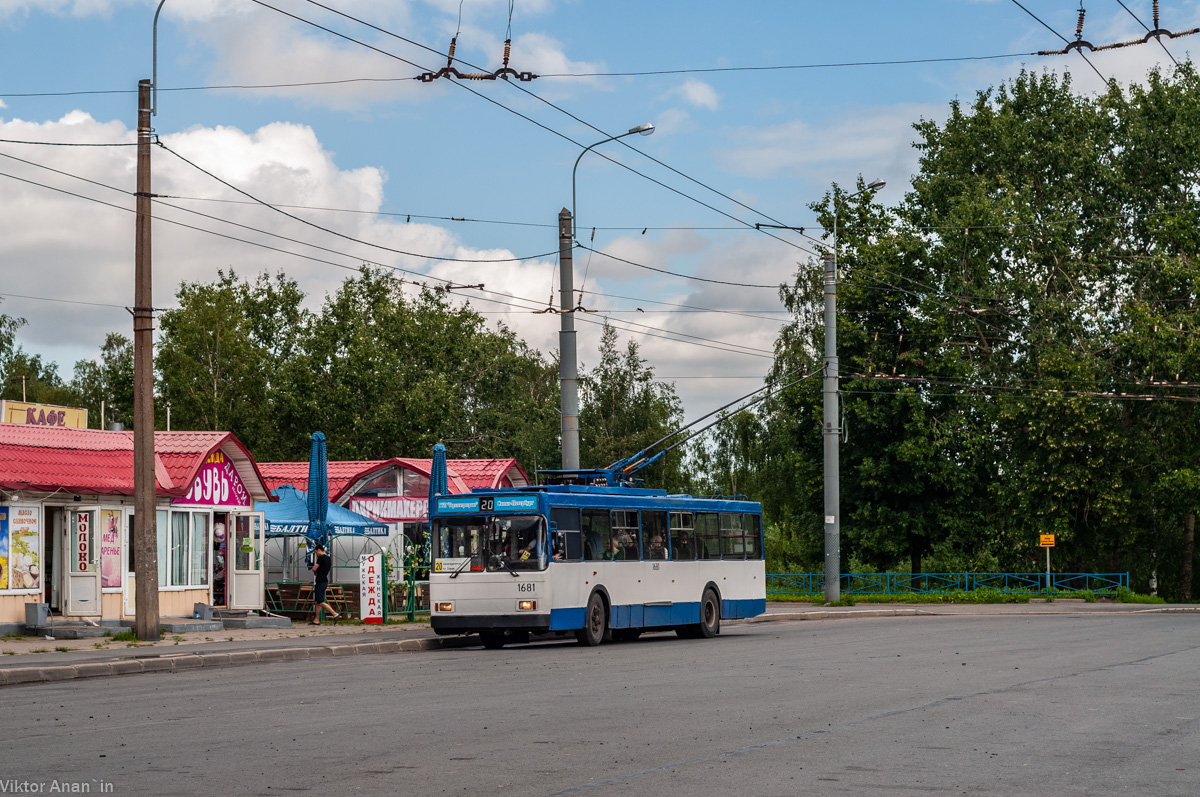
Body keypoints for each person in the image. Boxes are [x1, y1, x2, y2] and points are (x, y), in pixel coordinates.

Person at [309, 542, 341, 625]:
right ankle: (316, 620)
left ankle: (335, 614)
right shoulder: (328, 558)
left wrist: (317, 559)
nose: (316, 554)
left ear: (319, 550)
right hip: (324, 581)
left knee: (320, 602)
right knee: (317, 601)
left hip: (320, 581)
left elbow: (314, 569)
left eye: (316, 552)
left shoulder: (321, 557)